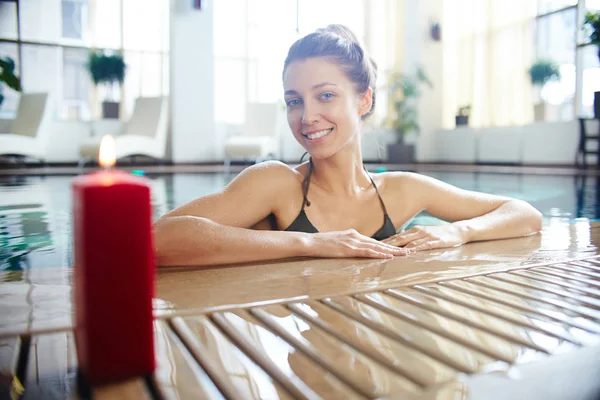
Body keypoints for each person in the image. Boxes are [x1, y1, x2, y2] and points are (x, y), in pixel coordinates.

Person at [153, 24, 542, 267]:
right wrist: (310, 243)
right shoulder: (276, 184)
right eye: (294, 100)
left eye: (325, 96)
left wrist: (460, 232)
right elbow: (158, 239)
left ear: (364, 100)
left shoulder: (401, 191)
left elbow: (524, 214)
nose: (306, 117)